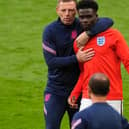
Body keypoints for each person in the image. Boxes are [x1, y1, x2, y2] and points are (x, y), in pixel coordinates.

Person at [42, 0, 113, 129]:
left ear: (76, 11)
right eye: (63, 10)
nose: (67, 14)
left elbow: (108, 21)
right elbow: (51, 62)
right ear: (57, 10)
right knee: (51, 126)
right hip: (55, 90)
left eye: (71, 10)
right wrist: (77, 58)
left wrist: (88, 33)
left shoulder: (82, 25)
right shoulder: (50, 31)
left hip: (79, 90)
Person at [68, 0, 129, 114]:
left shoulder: (113, 35)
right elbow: (83, 72)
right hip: (87, 96)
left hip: (112, 96)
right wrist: (75, 92)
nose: (85, 20)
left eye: (89, 16)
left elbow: (128, 62)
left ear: (96, 16)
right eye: (82, 17)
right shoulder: (78, 43)